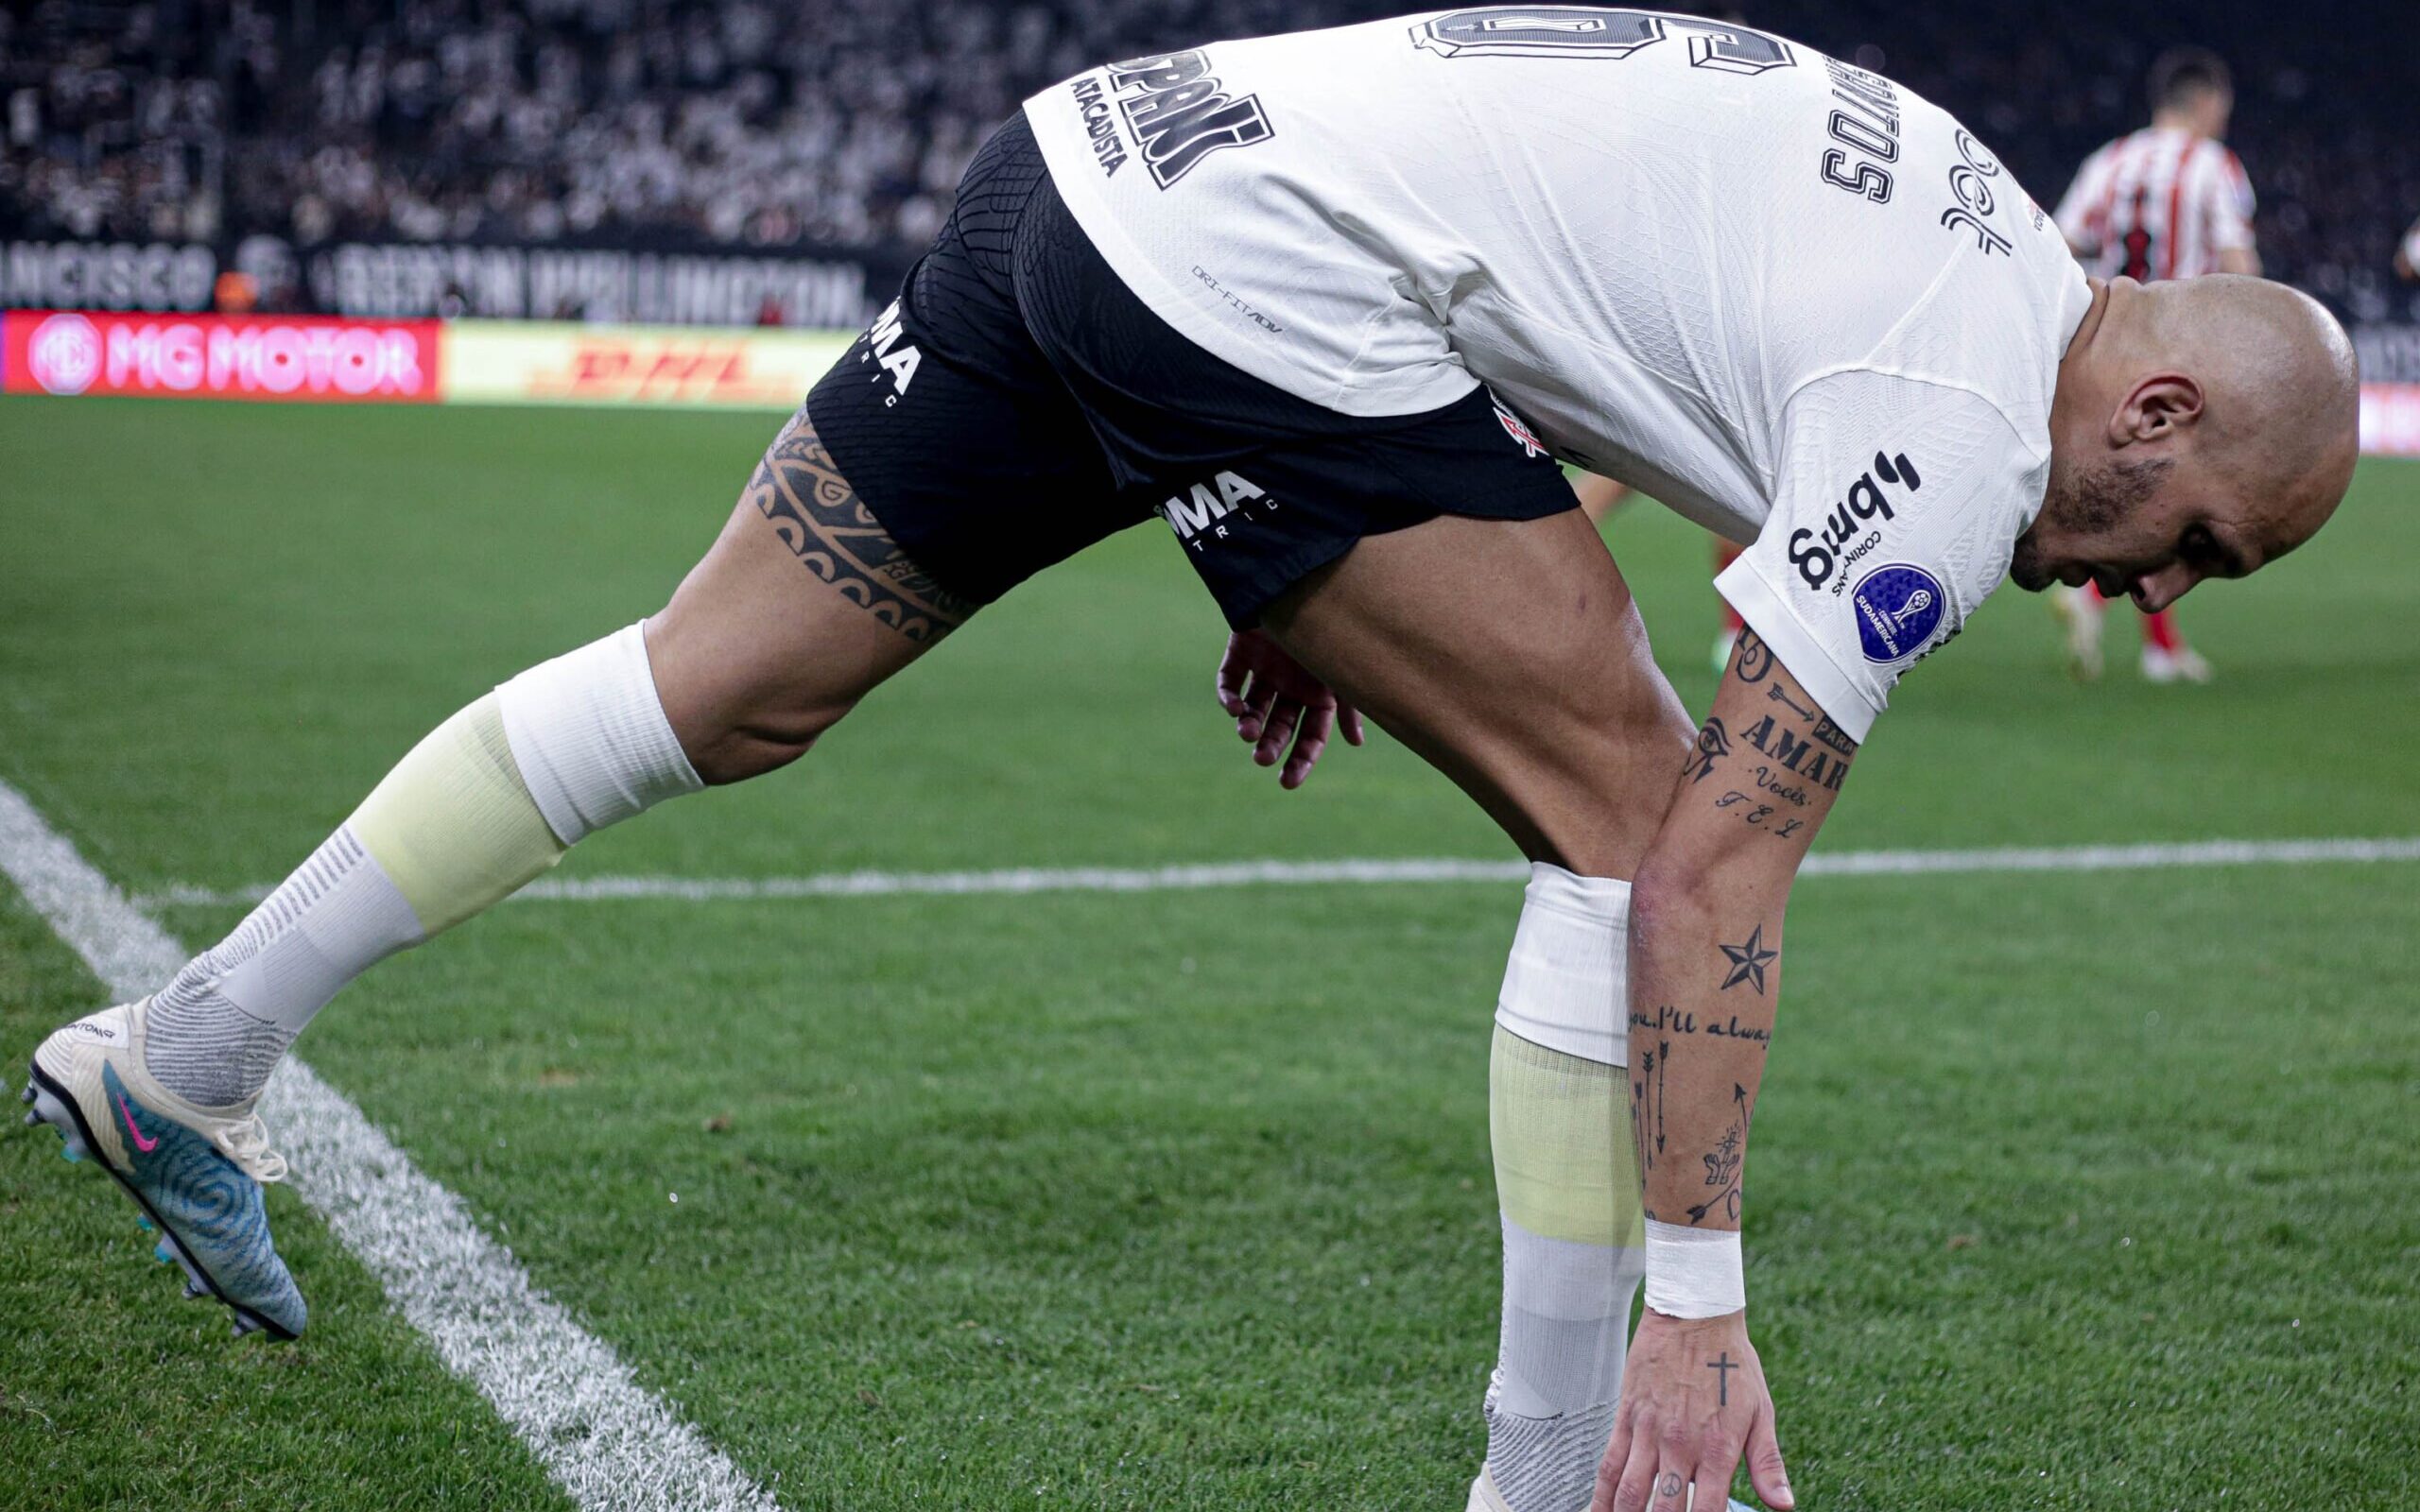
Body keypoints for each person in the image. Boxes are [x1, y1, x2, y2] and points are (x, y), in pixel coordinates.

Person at [25, 13, 2358, 1512]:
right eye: (2198, 544)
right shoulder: (1962, 447)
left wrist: (1356, 562)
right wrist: (1692, 1295)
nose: (2159, 581)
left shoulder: (1965, 228)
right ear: (2150, 409)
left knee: (720, 679)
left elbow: (1601, 310)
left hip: (1088, 166)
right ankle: (1547, 1484)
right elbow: (1705, 878)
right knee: (1632, 812)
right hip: (1256, 281)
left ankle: (193, 1047)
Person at [2048, 47, 2259, 683]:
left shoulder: (2109, 160)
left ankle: (2140, 632)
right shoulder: (2212, 165)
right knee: (2179, 502)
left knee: (2147, 495)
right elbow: (2236, 260)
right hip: (2182, 357)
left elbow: (2059, 245)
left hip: (2110, 350)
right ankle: (2143, 636)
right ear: (2206, 102)